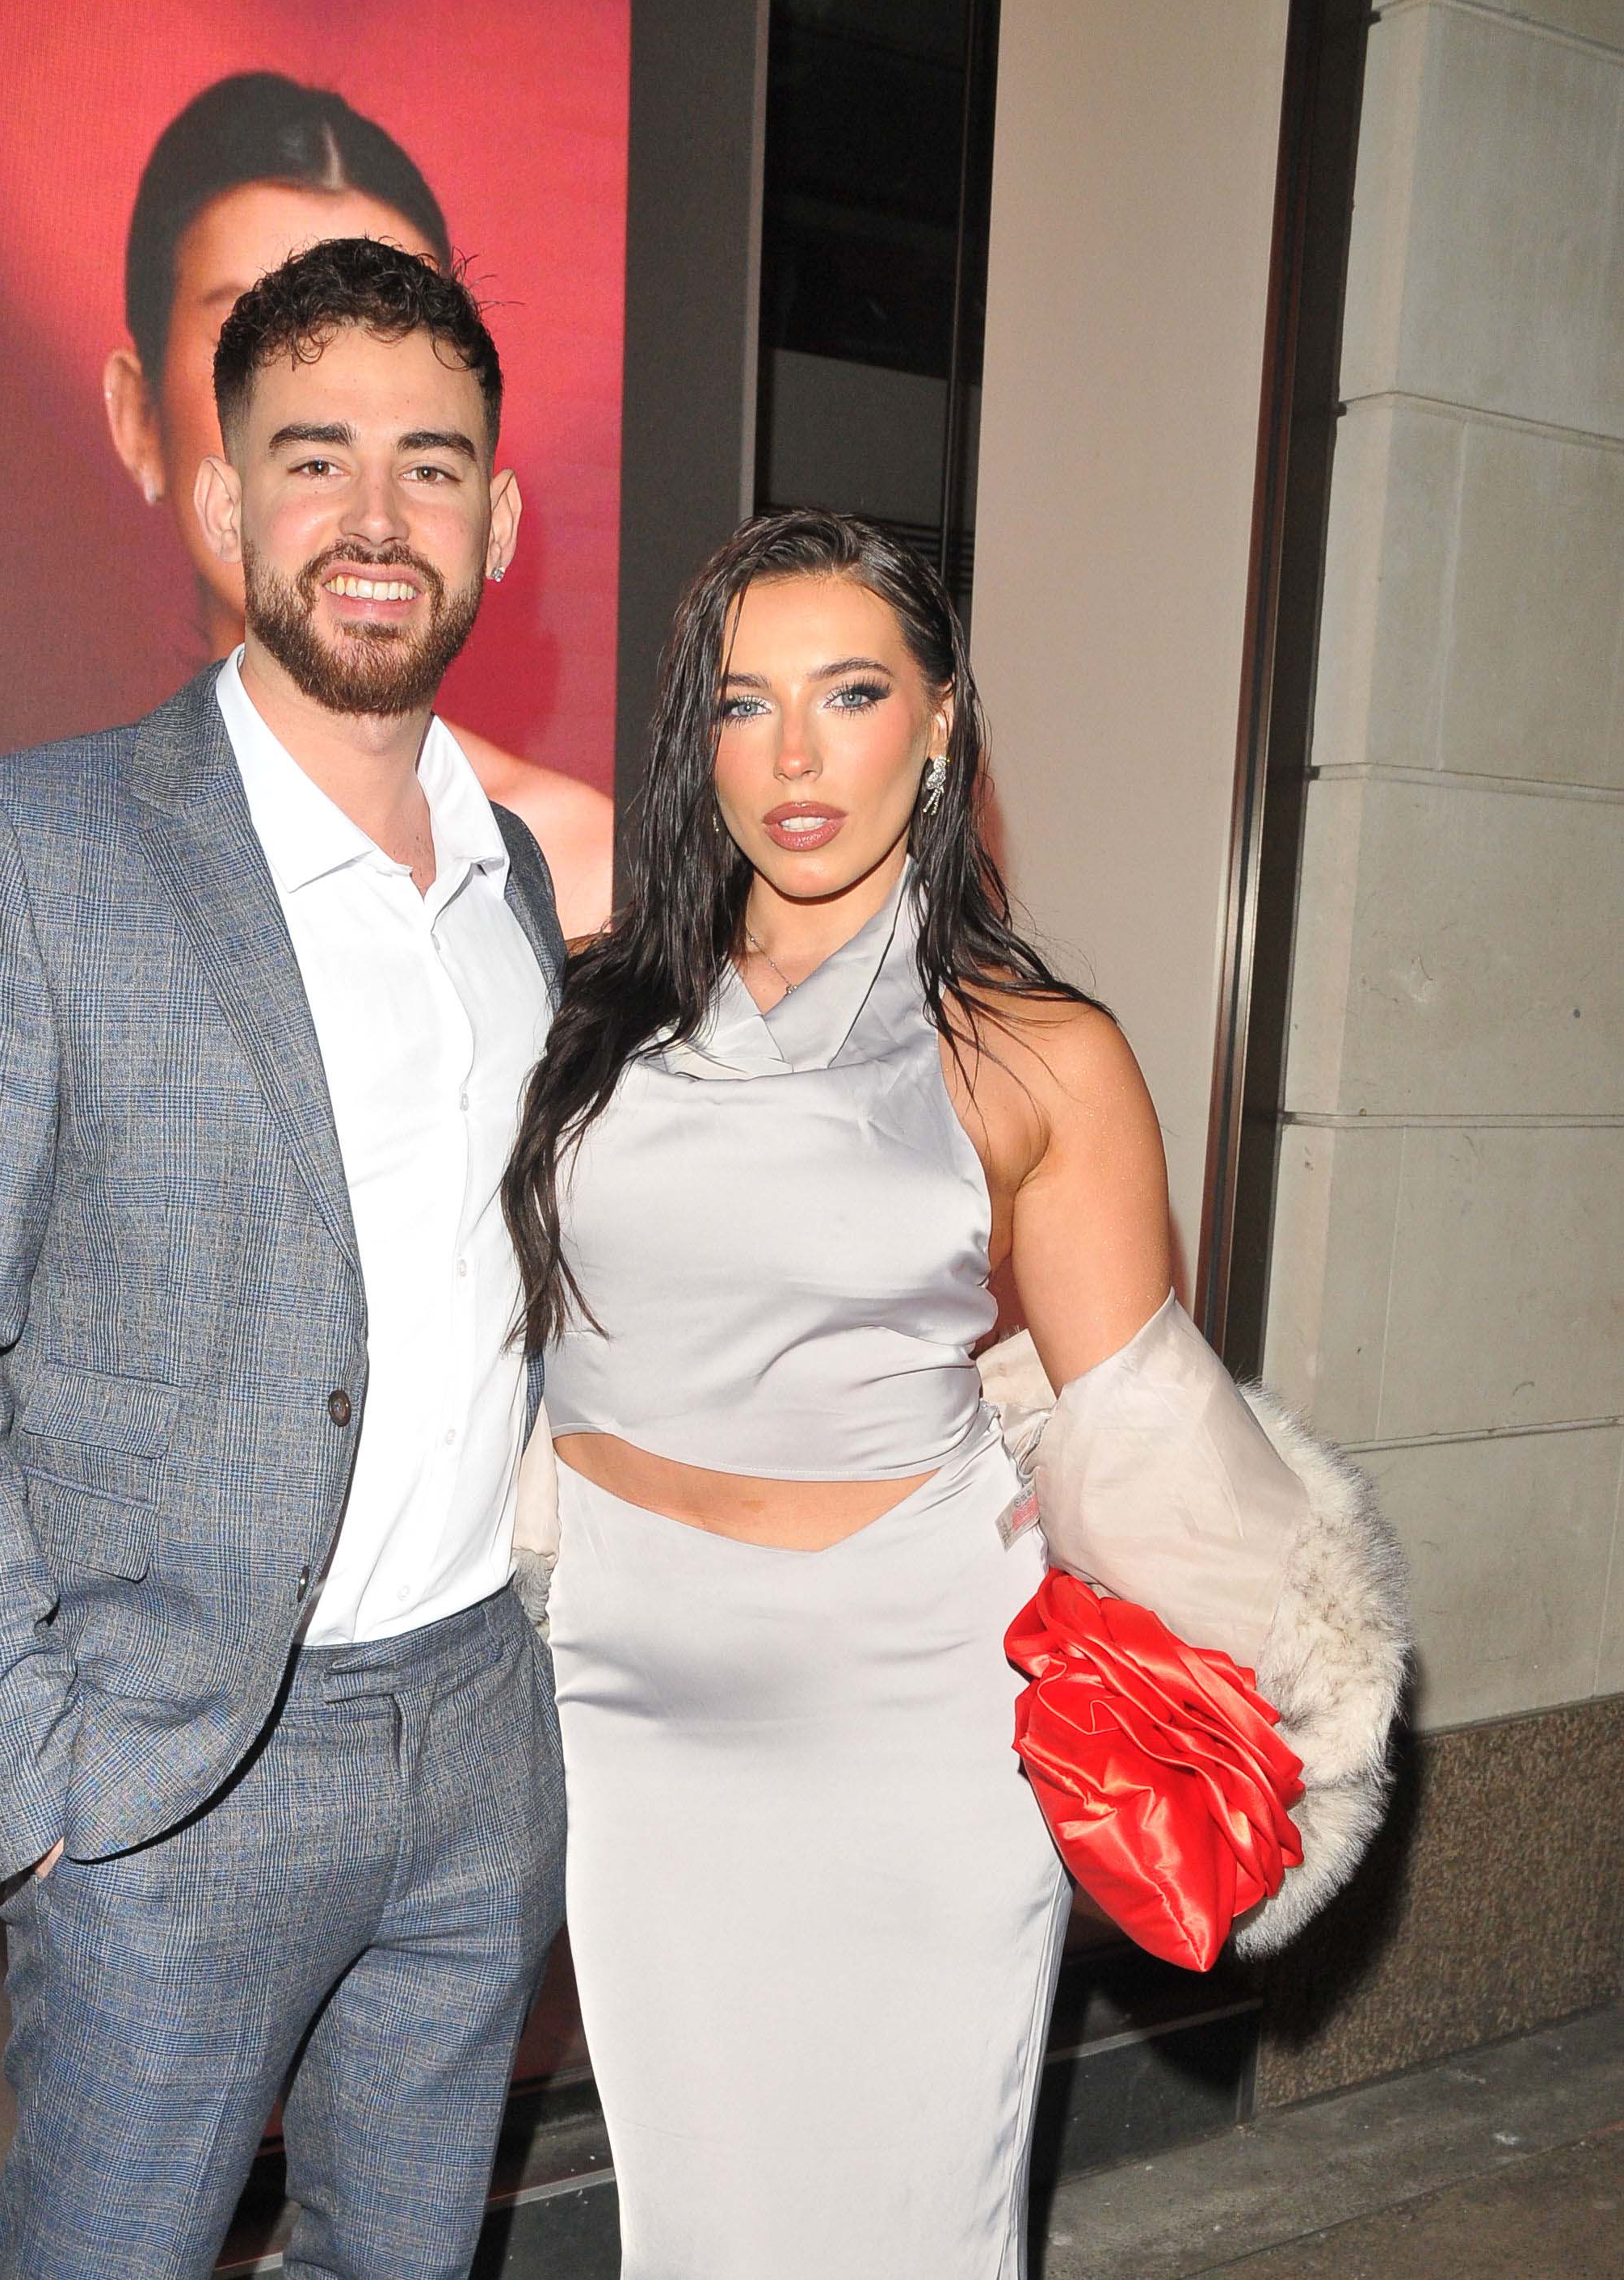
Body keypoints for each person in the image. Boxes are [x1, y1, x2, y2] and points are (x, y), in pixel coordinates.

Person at [0, 238, 566, 2280]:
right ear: (220, 494)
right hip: (168, 1782)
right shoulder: (33, 847)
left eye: (430, 466)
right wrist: (29, 1780)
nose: (371, 517)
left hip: (477, 1752)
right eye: (310, 457)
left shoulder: (510, 881)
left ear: (496, 518)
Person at [503, 510, 1175, 2276]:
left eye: (850, 691)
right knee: (696, 2217)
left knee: (906, 2220)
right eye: (742, 702)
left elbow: (1136, 1438)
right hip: (631, 1694)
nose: (792, 756)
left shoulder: (1039, 1048)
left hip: (915, 1703)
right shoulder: (587, 1020)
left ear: (940, 719)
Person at [102, 71, 613, 936]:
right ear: (138, 414)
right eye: (255, 339)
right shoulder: (42, 862)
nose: (371, 518)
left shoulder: (572, 869)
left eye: (389, 320)